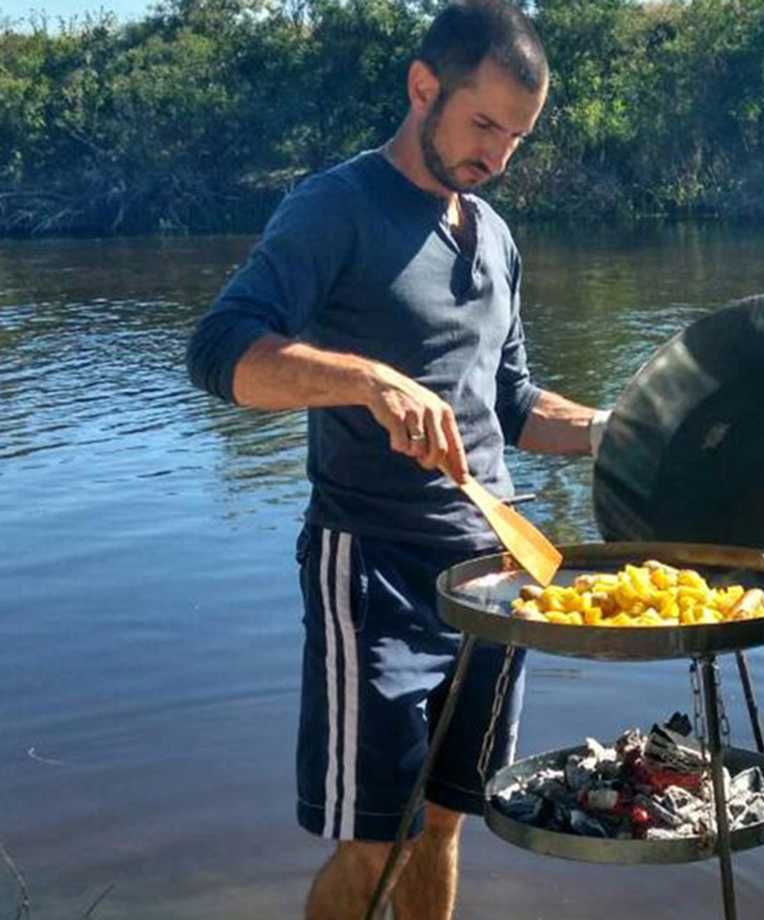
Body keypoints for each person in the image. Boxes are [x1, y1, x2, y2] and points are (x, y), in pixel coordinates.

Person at [186, 3, 608, 917]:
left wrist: (612, 429)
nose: (497, 154)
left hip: (498, 578)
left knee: (449, 820)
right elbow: (221, 351)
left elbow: (514, 404)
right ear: (425, 88)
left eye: (517, 137)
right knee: (379, 839)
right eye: (483, 123)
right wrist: (370, 381)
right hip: (374, 566)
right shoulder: (335, 208)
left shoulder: (494, 235)